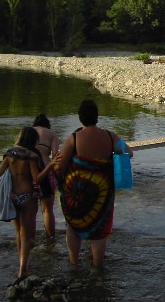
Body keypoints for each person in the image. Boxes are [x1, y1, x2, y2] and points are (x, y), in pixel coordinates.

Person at [55, 99, 133, 268]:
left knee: (73, 226)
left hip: (77, 192)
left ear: (80, 117)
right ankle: (98, 267)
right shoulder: (110, 136)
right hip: (102, 192)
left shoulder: (74, 138)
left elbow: (59, 167)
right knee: (99, 230)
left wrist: (59, 183)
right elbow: (129, 152)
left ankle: (74, 264)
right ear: (97, 116)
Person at [0, 127, 56, 280]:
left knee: (18, 232)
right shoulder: (32, 156)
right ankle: (23, 269)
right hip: (27, 196)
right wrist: (50, 165)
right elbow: (37, 179)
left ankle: (20, 262)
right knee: (26, 233)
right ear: (32, 140)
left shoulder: (10, 154)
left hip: (13, 196)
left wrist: (10, 190)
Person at [32, 114, 60, 239]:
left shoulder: (27, 132)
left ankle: (29, 238)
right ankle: (51, 238)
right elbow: (55, 156)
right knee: (47, 210)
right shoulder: (51, 134)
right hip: (46, 170)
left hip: (28, 172)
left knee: (30, 211)